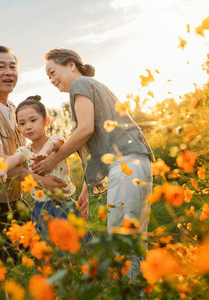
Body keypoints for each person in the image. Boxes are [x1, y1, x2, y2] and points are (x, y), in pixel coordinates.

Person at [31, 48, 153, 281]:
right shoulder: (90, 85)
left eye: (53, 71)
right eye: (48, 77)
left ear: (71, 65)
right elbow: (98, 144)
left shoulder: (80, 85)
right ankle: (141, 289)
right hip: (135, 161)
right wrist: (86, 191)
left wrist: (53, 159)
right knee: (134, 238)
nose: (51, 79)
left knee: (122, 237)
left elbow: (85, 129)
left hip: (126, 163)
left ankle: (133, 293)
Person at [0, 46, 67, 257]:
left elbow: (23, 153)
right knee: (3, 263)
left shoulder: (12, 108)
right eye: (1, 66)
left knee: (35, 249)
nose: (9, 72)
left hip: (10, 196)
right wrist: (41, 181)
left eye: (13, 67)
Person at [0, 95, 91, 243]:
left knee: (76, 246)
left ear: (46, 121)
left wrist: (44, 153)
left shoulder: (56, 139)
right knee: (48, 251)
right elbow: (13, 159)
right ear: (18, 128)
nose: (28, 126)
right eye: (22, 124)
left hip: (64, 205)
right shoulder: (24, 151)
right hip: (41, 209)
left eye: (33, 120)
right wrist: (3, 169)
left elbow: (53, 145)